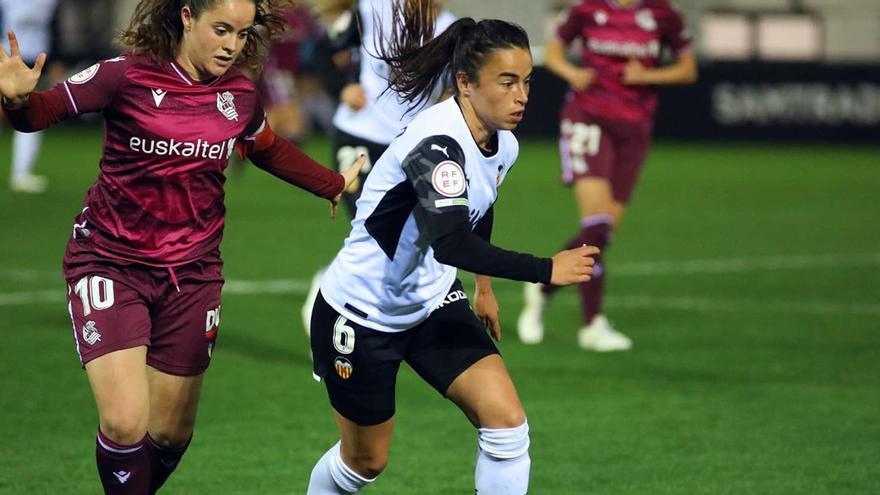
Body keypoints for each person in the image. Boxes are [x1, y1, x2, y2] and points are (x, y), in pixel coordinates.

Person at [0, 0, 363, 492]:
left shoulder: (239, 91)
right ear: (187, 16)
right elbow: (42, 113)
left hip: (193, 273)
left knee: (170, 432)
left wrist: (332, 182)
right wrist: (19, 101)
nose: (232, 45)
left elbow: (267, 147)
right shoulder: (123, 76)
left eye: (241, 33)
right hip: (110, 262)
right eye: (221, 30)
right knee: (126, 422)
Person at [305, 2, 600, 493]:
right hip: (360, 313)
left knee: (506, 425)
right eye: (506, 81)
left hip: (432, 301)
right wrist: (546, 270)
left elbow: (477, 210)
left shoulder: (503, 143)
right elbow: (452, 243)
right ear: (465, 82)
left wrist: (483, 289)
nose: (521, 95)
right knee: (365, 462)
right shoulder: (436, 144)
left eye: (527, 80)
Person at [517, 0, 697, 351]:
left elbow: (687, 69)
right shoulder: (587, 9)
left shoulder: (662, 13)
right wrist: (573, 73)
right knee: (597, 224)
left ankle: (543, 285)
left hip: (635, 129)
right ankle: (592, 324)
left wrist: (649, 76)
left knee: (603, 233)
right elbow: (553, 53)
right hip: (588, 119)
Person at [300, 0, 455, 335]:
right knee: (371, 226)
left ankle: (375, 304)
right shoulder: (375, 10)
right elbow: (324, 52)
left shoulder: (452, 31)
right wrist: (343, 87)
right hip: (361, 137)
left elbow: (456, 89)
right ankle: (331, 297)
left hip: (410, 148)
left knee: (408, 237)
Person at [0, 0, 58, 193]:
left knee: (30, 114)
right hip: (5, 60)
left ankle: (21, 172)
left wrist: (56, 58)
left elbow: (53, 25)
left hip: (35, 61)